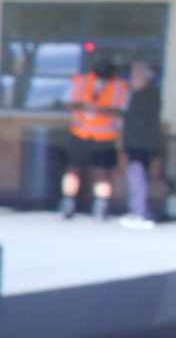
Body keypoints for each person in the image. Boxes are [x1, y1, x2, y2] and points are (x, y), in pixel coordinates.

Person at [61, 58, 130, 221]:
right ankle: (68, 204)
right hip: (80, 133)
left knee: (103, 172)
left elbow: (124, 111)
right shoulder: (81, 82)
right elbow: (66, 102)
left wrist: (105, 111)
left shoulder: (120, 87)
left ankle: (101, 206)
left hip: (105, 136)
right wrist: (82, 107)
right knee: (73, 169)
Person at [121, 62, 164, 230]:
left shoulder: (149, 94)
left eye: (136, 74)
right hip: (135, 142)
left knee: (139, 177)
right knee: (136, 176)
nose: (133, 78)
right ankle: (138, 210)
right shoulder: (138, 94)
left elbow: (141, 121)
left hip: (143, 143)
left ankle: (141, 212)